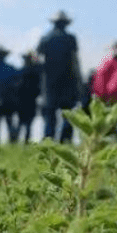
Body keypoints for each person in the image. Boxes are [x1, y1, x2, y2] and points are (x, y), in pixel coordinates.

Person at [37, 10, 82, 143]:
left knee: (50, 114)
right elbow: (75, 61)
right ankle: (65, 140)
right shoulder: (70, 39)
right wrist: (79, 82)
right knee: (68, 113)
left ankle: (49, 140)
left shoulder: (45, 38)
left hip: (49, 83)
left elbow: (37, 59)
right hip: (68, 81)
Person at [14, 51, 43, 143]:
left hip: (23, 100)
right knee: (27, 122)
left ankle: (17, 140)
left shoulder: (20, 72)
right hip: (29, 100)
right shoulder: (34, 72)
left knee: (22, 122)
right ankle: (25, 140)